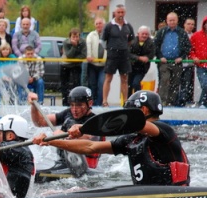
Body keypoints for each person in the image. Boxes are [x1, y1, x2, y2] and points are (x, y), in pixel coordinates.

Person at [33, 90, 190, 186]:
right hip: (147, 195)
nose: (125, 116)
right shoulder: (130, 140)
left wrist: (83, 128)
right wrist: (50, 141)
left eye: (128, 112)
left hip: (173, 193)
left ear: (143, 110)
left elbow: (139, 124)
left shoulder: (164, 131)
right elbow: (89, 147)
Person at [30, 86, 102, 171]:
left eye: (79, 105)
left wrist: (62, 136)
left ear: (90, 103)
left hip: (85, 168)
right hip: (63, 163)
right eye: (72, 105)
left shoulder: (94, 121)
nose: (75, 109)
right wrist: (34, 105)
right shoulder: (68, 113)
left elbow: (87, 137)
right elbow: (40, 122)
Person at [101, 4, 134, 107]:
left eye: (122, 12)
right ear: (115, 13)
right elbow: (103, 40)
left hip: (124, 55)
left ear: (125, 13)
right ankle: (105, 101)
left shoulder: (128, 26)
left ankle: (125, 101)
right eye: (118, 12)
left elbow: (130, 40)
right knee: (108, 78)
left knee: (124, 78)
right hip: (112, 54)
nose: (120, 14)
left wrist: (123, 47)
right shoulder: (109, 25)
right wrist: (110, 49)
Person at [154, 12, 190, 106]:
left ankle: (171, 102)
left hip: (177, 62)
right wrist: (160, 56)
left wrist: (181, 57)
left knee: (175, 82)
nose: (172, 22)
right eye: (170, 20)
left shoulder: (182, 32)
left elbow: (187, 47)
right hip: (164, 61)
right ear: (167, 21)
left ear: (177, 20)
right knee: (164, 80)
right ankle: (162, 101)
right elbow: (155, 45)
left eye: (174, 20)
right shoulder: (162, 32)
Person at [60, 28, 86, 106]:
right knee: (64, 85)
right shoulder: (66, 42)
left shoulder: (83, 42)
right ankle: (65, 103)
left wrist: (74, 59)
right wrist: (74, 47)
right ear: (70, 37)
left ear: (79, 36)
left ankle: (76, 102)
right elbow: (69, 55)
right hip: (65, 65)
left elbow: (83, 55)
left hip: (76, 65)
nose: (75, 39)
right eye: (73, 37)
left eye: (77, 37)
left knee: (76, 84)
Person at [128, 25, 155, 95]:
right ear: (138, 34)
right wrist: (138, 58)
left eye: (146, 34)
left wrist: (147, 57)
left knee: (136, 83)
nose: (144, 36)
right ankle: (128, 101)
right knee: (129, 85)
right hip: (131, 67)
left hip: (142, 68)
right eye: (142, 34)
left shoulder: (151, 43)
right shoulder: (132, 42)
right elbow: (128, 53)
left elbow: (152, 54)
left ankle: (138, 99)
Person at [86, 17, 106, 106]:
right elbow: (88, 45)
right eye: (97, 23)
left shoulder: (107, 35)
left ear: (104, 24)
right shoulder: (91, 35)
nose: (98, 25)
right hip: (93, 65)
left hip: (104, 65)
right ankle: (92, 104)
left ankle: (99, 104)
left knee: (101, 85)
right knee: (92, 85)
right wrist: (89, 56)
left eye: (100, 23)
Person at [177, 17, 196, 107]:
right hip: (179, 63)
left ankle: (183, 100)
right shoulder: (179, 34)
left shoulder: (194, 36)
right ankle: (176, 100)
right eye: (188, 24)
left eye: (192, 24)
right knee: (177, 83)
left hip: (189, 64)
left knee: (187, 84)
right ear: (184, 24)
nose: (190, 26)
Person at [190, 16, 207, 108]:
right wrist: (194, 57)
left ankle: (203, 103)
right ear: (204, 25)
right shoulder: (196, 36)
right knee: (205, 85)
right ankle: (202, 103)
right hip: (201, 66)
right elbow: (190, 50)